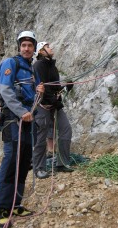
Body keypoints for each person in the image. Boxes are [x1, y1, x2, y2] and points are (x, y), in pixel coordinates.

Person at [0, 31, 45, 227]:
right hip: (12, 118)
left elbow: (36, 91)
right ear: (19, 47)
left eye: (30, 45)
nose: (26, 48)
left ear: (34, 48)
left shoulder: (32, 70)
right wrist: (21, 111)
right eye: (23, 45)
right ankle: (0, 209)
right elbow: (5, 89)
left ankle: (15, 203)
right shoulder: (10, 64)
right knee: (11, 159)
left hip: (28, 119)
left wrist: (40, 90)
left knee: (24, 161)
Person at [33, 41, 74, 179]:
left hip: (54, 105)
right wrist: (53, 101)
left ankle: (62, 163)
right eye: (48, 47)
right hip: (43, 106)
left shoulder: (52, 66)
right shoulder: (38, 65)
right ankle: (39, 168)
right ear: (41, 52)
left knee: (66, 129)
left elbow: (54, 87)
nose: (51, 48)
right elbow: (41, 87)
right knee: (41, 136)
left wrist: (66, 86)